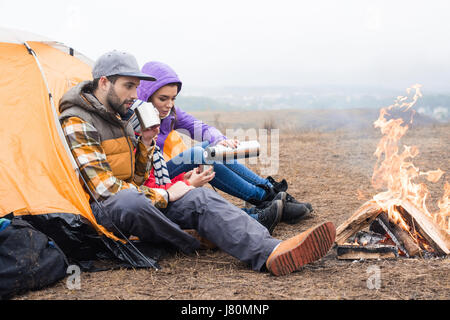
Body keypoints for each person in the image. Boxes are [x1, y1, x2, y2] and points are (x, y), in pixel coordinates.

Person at [58, 50, 336, 276]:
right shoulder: (78, 120)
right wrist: (167, 193)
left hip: (144, 199)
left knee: (199, 197)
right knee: (130, 201)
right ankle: (197, 240)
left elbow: (139, 178)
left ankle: (271, 251)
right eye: (129, 86)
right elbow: (105, 190)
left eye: (136, 86)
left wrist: (143, 145)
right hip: (105, 210)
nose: (134, 94)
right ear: (104, 82)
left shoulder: (123, 114)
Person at [125, 61, 313, 225]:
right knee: (200, 153)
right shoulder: (135, 120)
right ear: (147, 95)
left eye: (173, 99)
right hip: (149, 177)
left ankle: (269, 192)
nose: (169, 104)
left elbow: (198, 126)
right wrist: (185, 181)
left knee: (210, 151)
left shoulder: (170, 113)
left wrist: (221, 140)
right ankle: (265, 197)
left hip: (162, 171)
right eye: (163, 98)